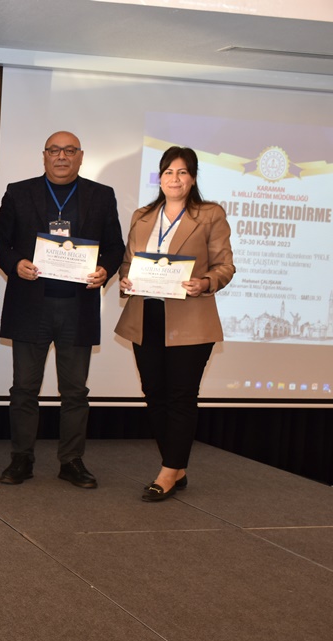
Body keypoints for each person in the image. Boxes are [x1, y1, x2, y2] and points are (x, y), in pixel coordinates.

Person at [0, 131, 124, 488]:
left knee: (75, 392)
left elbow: (115, 246)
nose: (62, 156)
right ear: (44, 156)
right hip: (30, 306)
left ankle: (71, 461)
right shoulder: (18, 192)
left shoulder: (101, 195)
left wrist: (105, 270)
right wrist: (15, 263)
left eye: (69, 151)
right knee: (24, 388)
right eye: (55, 150)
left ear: (81, 156)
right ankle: (21, 459)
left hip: (77, 308)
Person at [116, 146, 234, 502]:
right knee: (154, 393)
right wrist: (125, 279)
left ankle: (168, 471)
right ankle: (177, 465)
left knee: (181, 396)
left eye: (182, 172)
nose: (175, 179)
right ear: (160, 177)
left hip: (190, 319)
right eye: (168, 172)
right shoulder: (142, 216)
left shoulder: (210, 214)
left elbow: (224, 265)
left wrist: (206, 282)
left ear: (193, 178)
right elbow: (128, 262)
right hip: (145, 316)